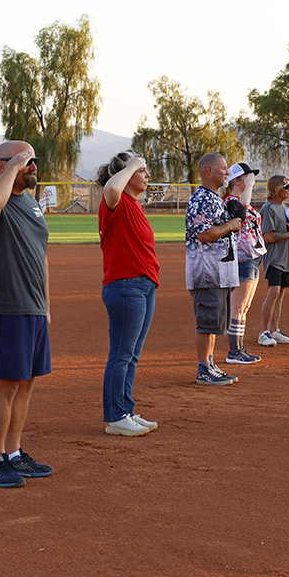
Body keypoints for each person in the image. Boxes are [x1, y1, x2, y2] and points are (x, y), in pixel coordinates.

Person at [0, 140, 54, 487]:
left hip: (33, 308)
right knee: (6, 386)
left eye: (34, 160)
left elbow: (42, 256)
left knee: (26, 385)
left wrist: (47, 307)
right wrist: (14, 165)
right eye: (26, 160)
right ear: (3, 166)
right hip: (6, 305)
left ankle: (15, 453)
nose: (33, 166)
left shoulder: (32, 205)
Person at [96, 150, 160, 437]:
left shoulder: (134, 205)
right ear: (126, 175)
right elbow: (111, 186)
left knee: (131, 354)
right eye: (141, 171)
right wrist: (132, 163)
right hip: (125, 286)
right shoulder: (115, 200)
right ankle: (116, 416)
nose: (147, 175)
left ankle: (126, 409)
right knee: (121, 354)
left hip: (143, 285)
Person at [185, 153, 241, 385]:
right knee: (207, 323)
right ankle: (203, 369)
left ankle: (210, 364)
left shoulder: (215, 198)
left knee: (215, 323)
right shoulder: (201, 199)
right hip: (207, 273)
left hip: (219, 273)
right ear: (209, 170)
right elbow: (203, 234)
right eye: (224, 168)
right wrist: (229, 225)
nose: (227, 172)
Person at [223, 163, 267, 363]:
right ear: (237, 180)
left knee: (245, 306)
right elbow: (243, 209)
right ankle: (234, 351)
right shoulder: (231, 201)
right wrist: (248, 187)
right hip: (242, 258)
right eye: (247, 177)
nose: (251, 179)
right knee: (238, 306)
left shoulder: (240, 199)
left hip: (254, 257)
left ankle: (239, 349)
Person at [254, 175, 289, 348]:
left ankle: (274, 330)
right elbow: (268, 237)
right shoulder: (268, 208)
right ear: (277, 188)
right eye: (287, 186)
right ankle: (263, 332)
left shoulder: (285, 208)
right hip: (274, 259)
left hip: (286, 259)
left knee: (280, 295)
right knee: (274, 292)